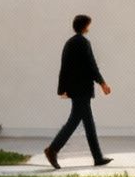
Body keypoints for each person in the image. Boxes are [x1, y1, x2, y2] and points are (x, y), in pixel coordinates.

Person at [45, 14, 113, 169]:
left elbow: (64, 68)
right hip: (82, 89)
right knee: (76, 122)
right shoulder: (83, 43)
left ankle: (97, 157)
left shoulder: (69, 43)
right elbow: (92, 66)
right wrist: (103, 84)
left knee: (85, 123)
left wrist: (62, 89)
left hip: (75, 89)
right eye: (88, 25)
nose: (89, 28)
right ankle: (52, 150)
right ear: (84, 26)